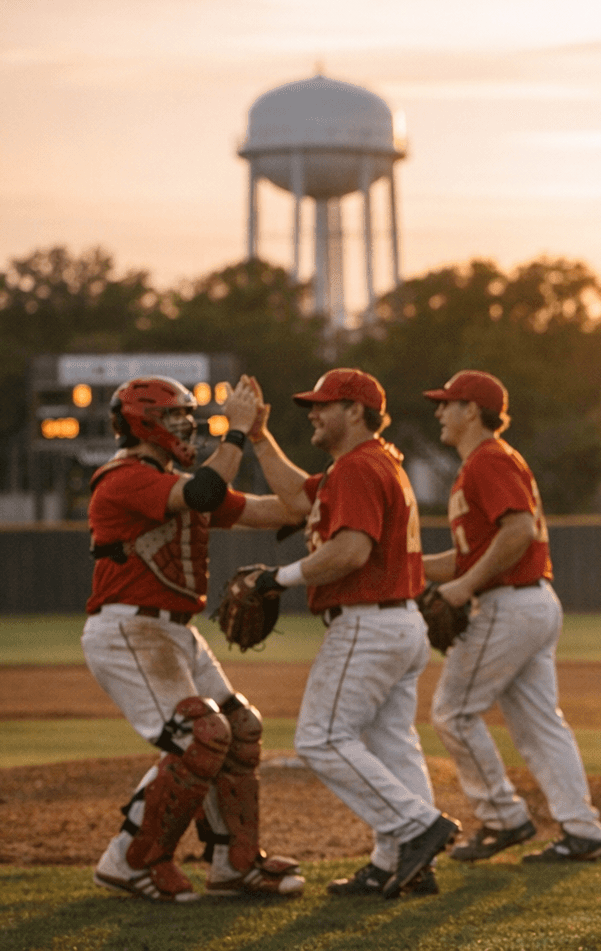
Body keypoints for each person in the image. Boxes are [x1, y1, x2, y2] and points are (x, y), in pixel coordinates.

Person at [84, 374, 306, 903]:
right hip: (129, 628)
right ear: (142, 424)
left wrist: (266, 444)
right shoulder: (124, 477)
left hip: (172, 631)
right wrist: (236, 432)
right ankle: (131, 860)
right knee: (199, 736)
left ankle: (235, 864)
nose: (187, 425)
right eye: (174, 416)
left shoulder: (175, 480)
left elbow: (280, 509)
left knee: (240, 728)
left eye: (188, 415)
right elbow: (204, 491)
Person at [245, 367, 459, 899]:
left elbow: (350, 551)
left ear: (356, 411)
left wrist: (276, 579)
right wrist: (258, 436)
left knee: (320, 739)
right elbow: (297, 498)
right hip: (397, 621)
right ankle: (398, 864)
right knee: (392, 744)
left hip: (368, 622)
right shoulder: (371, 462)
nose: (314, 413)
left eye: (324, 405)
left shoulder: (358, 467)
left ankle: (417, 828)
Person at [422, 369, 601, 864]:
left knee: (453, 712)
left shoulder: (487, 460)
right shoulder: (488, 462)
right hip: (529, 601)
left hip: (508, 604)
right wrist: (410, 565)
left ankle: (503, 817)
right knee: (540, 726)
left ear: (471, 411)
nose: (439, 411)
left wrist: (465, 586)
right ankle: (583, 832)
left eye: (447, 403)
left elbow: (519, 530)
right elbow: (471, 556)